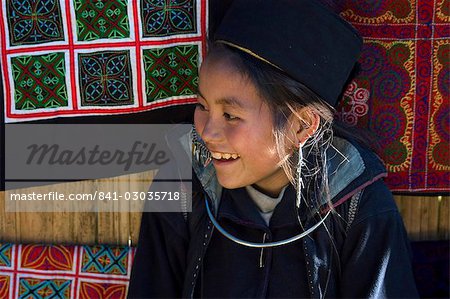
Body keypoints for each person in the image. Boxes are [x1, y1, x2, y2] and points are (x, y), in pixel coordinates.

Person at [128, 0, 419, 298]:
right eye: (202, 105)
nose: (207, 132)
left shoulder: (358, 206)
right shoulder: (182, 184)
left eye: (231, 115)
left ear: (302, 126)